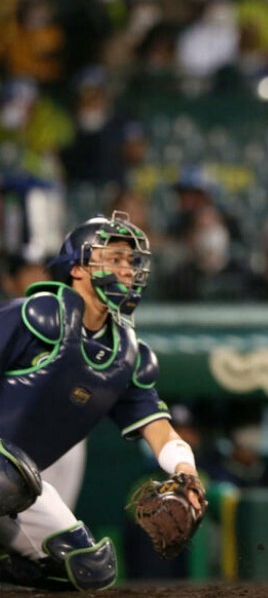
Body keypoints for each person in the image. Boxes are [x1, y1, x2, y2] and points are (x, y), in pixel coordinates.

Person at [0, 210, 206, 591]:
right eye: (114, 258)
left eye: (130, 261)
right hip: (6, 473)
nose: (127, 270)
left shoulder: (127, 356)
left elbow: (159, 429)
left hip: (20, 484)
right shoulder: (37, 315)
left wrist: (186, 472)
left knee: (90, 568)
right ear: (78, 268)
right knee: (7, 476)